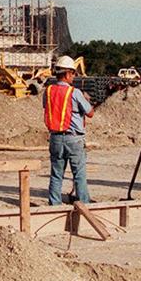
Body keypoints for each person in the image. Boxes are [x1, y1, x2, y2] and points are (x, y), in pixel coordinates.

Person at [44, 55, 94, 205]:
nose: (74, 77)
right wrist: (87, 100)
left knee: (56, 174)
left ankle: (54, 205)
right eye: (72, 73)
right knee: (79, 174)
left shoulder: (48, 91)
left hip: (55, 138)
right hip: (73, 138)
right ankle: (84, 204)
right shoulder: (75, 92)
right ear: (66, 74)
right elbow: (90, 113)